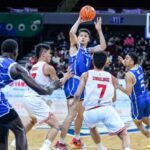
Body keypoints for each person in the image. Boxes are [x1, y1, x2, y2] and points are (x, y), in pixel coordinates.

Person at [56, 16, 107, 149]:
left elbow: (103, 46)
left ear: (89, 39)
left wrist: (99, 30)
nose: (83, 37)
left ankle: (76, 139)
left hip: (83, 84)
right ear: (78, 38)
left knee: (81, 115)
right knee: (72, 114)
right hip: (73, 82)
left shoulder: (88, 51)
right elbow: (71, 33)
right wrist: (79, 20)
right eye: (81, 35)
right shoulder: (75, 47)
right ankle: (60, 143)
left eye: (85, 36)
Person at [0, 39, 61, 150]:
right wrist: (51, 87)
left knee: (3, 131)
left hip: (25, 98)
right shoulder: (15, 67)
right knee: (19, 130)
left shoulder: (33, 66)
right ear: (15, 52)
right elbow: (42, 91)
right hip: (27, 99)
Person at [11, 43, 72, 150]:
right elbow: (58, 84)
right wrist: (66, 76)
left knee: (32, 121)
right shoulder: (48, 67)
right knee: (55, 126)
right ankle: (44, 148)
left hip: (26, 97)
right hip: (35, 99)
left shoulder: (33, 67)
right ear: (43, 54)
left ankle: (15, 142)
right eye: (49, 53)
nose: (51, 56)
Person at [72, 52, 131, 150]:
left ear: (93, 62)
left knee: (92, 128)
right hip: (106, 109)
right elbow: (114, 99)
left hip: (90, 112)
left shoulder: (86, 74)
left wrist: (73, 106)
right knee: (124, 134)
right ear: (105, 63)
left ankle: (100, 148)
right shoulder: (111, 77)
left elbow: (77, 94)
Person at [118, 52, 150, 148]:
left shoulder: (128, 75)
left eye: (127, 58)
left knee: (138, 123)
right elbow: (130, 65)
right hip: (146, 97)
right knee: (145, 120)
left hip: (137, 101)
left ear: (132, 61)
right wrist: (124, 62)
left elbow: (128, 92)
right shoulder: (138, 67)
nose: (125, 59)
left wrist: (118, 87)